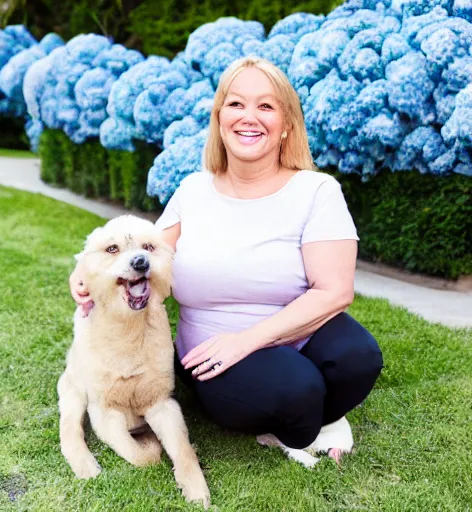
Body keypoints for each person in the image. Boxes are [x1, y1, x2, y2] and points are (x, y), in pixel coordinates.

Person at [70, 56, 383, 466]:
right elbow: (144, 251)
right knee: (297, 388)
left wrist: (250, 339)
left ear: (287, 123)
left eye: (266, 106)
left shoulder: (317, 190)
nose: (248, 117)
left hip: (288, 333)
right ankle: (303, 420)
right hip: (212, 351)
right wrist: (85, 269)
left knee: (357, 356)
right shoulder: (194, 190)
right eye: (235, 104)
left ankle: (310, 418)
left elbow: (335, 291)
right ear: (219, 119)